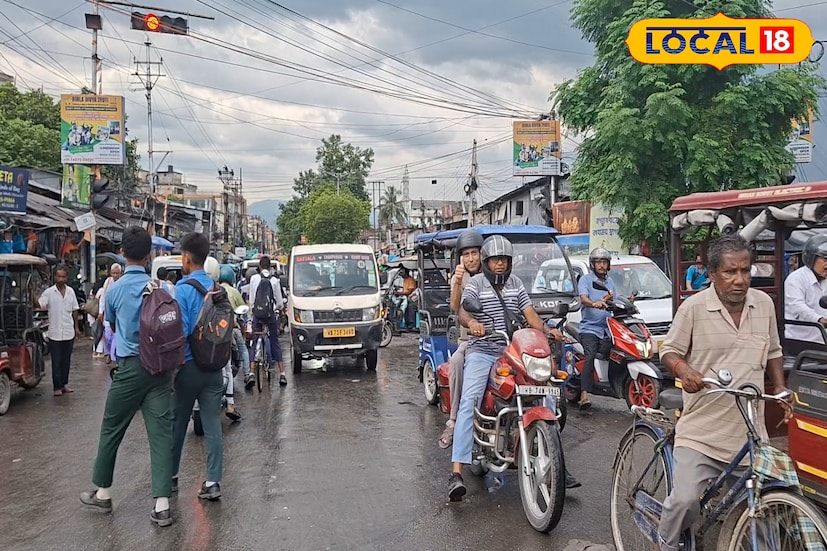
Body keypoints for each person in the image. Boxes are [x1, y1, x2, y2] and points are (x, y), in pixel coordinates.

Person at [656, 234, 789, 551]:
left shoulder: (764, 304)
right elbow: (669, 351)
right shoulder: (693, 308)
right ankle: (665, 543)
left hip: (750, 432)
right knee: (686, 500)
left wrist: (780, 387)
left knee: (770, 506)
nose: (739, 280)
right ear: (712, 273)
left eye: (745, 270)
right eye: (730, 272)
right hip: (701, 432)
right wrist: (684, 370)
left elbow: (773, 350)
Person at [448, 235, 570, 501]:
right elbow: (463, 311)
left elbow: (530, 315)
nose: (500, 264)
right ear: (487, 262)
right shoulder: (476, 284)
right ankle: (457, 472)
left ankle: (554, 460)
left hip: (513, 351)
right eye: (495, 260)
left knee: (546, 393)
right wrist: (473, 324)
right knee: (469, 401)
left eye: (504, 260)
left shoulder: (515, 283)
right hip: (483, 351)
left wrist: (547, 330)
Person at [79, 227, 175, 527]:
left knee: (112, 427)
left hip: (131, 368)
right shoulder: (161, 288)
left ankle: (104, 493)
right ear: (150, 254)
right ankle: (162, 505)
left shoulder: (115, 289)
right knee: (160, 434)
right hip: (160, 369)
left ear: (122, 253)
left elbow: (110, 323)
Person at [171, 233, 225, 501]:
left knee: (178, 423)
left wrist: (174, 368)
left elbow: (180, 332)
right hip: (214, 366)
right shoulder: (217, 288)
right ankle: (213, 481)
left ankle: (170, 476)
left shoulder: (182, 290)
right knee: (213, 424)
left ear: (186, 257)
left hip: (189, 366)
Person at [437, 229, 483, 450]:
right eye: (466, 255)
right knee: (456, 360)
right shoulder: (460, 277)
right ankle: (454, 420)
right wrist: (456, 282)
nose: (471, 259)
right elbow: (455, 307)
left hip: (501, 338)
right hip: (470, 340)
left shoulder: (494, 273)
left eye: (474, 253)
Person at [576, 248, 616, 410]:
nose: (601, 265)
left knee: (618, 353)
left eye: (604, 262)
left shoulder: (610, 282)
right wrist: (594, 303)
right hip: (590, 329)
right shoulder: (585, 280)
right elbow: (583, 298)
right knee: (590, 356)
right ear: (592, 264)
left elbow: (614, 300)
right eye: (598, 262)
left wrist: (626, 301)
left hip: (607, 329)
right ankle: (584, 395)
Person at [39, 264, 80, 396]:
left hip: (68, 332)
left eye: (63, 277)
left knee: (66, 361)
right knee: (56, 361)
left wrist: (76, 327)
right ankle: (57, 386)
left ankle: (64, 384)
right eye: (59, 276)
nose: (61, 279)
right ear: (55, 277)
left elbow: (75, 310)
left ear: (67, 277)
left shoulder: (71, 292)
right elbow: (40, 304)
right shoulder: (49, 293)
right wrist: (31, 292)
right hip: (55, 333)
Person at [248, 256, 287, 385]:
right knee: (275, 342)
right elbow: (280, 303)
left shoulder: (254, 279)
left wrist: (253, 311)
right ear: (270, 267)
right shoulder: (275, 280)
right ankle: (282, 374)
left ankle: (251, 373)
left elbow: (251, 300)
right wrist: (279, 308)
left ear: (259, 266)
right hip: (270, 316)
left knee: (254, 342)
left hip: (257, 315)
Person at [785, 234, 827, 344]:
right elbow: (797, 307)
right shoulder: (796, 279)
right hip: (800, 342)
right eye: (825, 259)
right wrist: (820, 319)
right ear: (811, 258)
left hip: (823, 340)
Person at [219, 265, 254, 396]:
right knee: (243, 348)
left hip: (219, 330)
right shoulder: (234, 291)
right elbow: (243, 308)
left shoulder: (215, 290)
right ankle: (247, 374)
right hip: (233, 327)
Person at [94, 263, 123, 358]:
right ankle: (108, 352)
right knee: (107, 333)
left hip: (119, 312)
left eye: (117, 273)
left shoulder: (123, 282)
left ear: (121, 273)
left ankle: (113, 355)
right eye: (113, 273)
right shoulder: (108, 282)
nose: (115, 275)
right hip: (108, 312)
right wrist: (100, 312)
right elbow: (103, 297)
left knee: (116, 334)